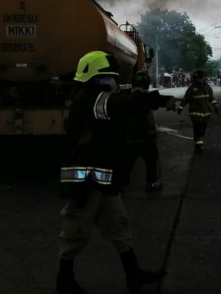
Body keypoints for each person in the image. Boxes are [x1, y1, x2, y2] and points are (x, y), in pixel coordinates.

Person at [56, 51, 175, 294]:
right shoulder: (90, 98)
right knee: (75, 231)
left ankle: (134, 275)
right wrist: (159, 100)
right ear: (91, 78)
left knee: (119, 227)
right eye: (106, 77)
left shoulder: (97, 96)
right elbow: (122, 104)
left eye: (112, 76)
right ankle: (64, 280)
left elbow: (121, 105)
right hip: (85, 181)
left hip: (103, 179)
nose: (111, 81)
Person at [123, 70, 168, 191]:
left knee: (127, 163)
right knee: (152, 161)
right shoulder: (145, 97)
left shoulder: (125, 96)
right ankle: (152, 183)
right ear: (146, 84)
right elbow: (156, 102)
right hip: (146, 139)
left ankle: (121, 184)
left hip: (129, 139)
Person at [177, 69, 219, 153]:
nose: (198, 80)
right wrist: (180, 107)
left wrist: (215, 106)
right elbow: (186, 99)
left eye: (199, 78)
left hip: (205, 113)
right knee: (198, 129)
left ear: (203, 78)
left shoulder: (207, 87)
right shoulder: (192, 88)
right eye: (196, 78)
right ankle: (199, 146)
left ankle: (198, 142)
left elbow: (212, 98)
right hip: (195, 113)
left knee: (202, 129)